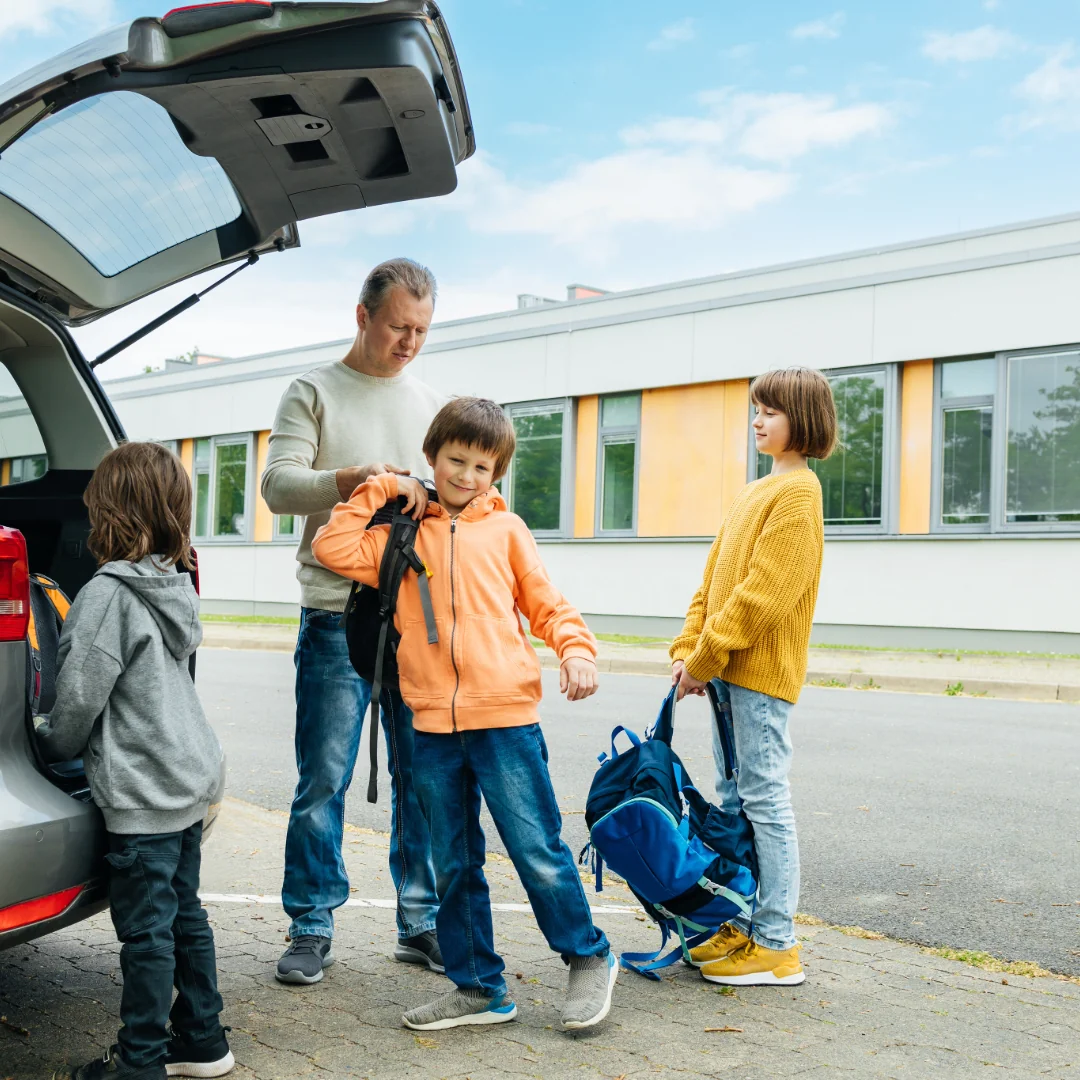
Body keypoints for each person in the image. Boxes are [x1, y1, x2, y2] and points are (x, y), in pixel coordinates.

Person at [311, 397, 617, 1032]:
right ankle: (479, 986)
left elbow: (547, 604)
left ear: (496, 473)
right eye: (456, 460)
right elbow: (332, 546)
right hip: (430, 726)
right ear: (432, 457)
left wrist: (575, 650)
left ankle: (589, 956)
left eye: (484, 467)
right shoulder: (400, 533)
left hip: (505, 719)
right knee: (452, 862)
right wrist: (382, 488)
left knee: (536, 850)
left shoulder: (507, 531)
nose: (468, 476)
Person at [261, 258, 445, 985]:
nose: (409, 343)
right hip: (334, 614)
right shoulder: (312, 391)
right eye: (398, 326)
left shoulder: (432, 401)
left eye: (421, 330)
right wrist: (353, 480)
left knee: (422, 777)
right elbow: (278, 486)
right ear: (363, 315)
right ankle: (310, 925)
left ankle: (421, 921)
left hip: (416, 618)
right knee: (323, 780)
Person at [39, 442, 231, 1080]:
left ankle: (140, 1062)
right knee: (185, 915)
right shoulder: (174, 582)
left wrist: (47, 744)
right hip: (188, 778)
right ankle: (203, 1040)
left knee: (146, 932)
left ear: (109, 512)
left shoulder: (106, 595)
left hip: (145, 792)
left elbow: (77, 699)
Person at [671, 367, 837, 988]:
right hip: (725, 671)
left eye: (771, 410)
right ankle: (747, 923)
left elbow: (762, 597)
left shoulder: (800, 495)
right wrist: (689, 649)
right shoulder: (753, 492)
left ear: (805, 420)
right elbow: (713, 581)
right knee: (736, 799)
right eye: (756, 409)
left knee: (764, 800)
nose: (758, 419)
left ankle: (777, 942)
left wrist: (705, 658)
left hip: (760, 676)